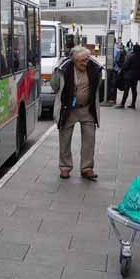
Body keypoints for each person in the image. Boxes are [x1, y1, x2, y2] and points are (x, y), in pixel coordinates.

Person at [51, 46, 103, 181]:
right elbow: (54, 85)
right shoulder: (63, 69)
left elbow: (98, 85)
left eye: (86, 60)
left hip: (87, 109)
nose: (85, 63)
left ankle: (87, 168)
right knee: (64, 139)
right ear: (74, 60)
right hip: (68, 110)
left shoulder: (94, 67)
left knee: (90, 139)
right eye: (81, 61)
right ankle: (65, 167)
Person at [116, 44, 140, 109]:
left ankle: (122, 104)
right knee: (134, 90)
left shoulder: (131, 56)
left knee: (126, 90)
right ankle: (133, 104)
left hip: (129, 76)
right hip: (136, 75)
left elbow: (126, 66)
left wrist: (121, 70)